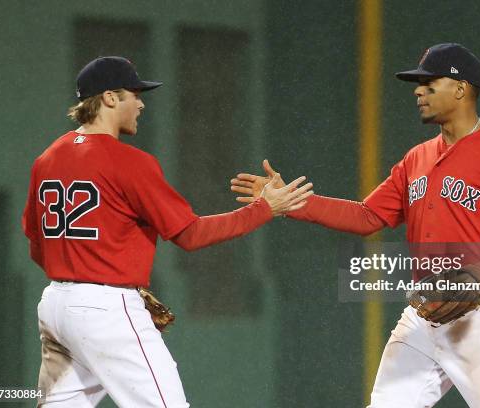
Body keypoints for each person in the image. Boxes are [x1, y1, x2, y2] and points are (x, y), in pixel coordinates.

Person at [231, 43, 480, 407]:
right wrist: (290, 201)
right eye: (419, 85)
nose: (418, 91)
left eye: (430, 84)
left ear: (461, 90)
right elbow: (368, 216)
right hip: (425, 311)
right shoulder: (417, 158)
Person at [22, 56, 313, 407]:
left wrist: (81, 280)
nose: (141, 103)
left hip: (56, 306)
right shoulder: (129, 162)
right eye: (134, 94)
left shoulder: (48, 159)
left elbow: (37, 246)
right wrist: (265, 208)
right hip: (106, 310)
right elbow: (190, 234)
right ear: (111, 98)